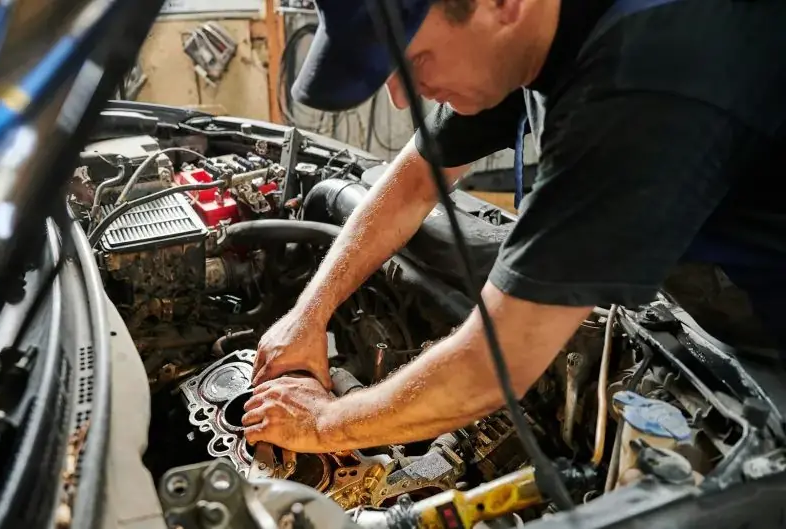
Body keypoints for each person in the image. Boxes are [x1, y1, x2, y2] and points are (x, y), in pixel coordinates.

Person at [241, 0, 786, 453]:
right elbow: (414, 178)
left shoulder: (650, 75)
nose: (402, 96)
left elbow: (494, 362)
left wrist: (320, 424)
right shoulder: (532, 32)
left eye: (416, 61)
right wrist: (309, 314)